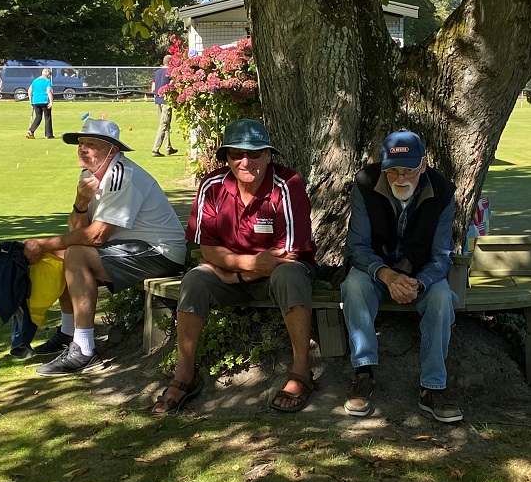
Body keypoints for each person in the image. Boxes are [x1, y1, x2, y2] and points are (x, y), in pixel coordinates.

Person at [151, 118, 317, 416]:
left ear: (268, 155)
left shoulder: (287, 184)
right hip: (232, 273)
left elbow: (288, 254)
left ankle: (301, 372)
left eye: (254, 154)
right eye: (236, 154)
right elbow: (207, 249)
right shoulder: (212, 185)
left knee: (289, 274)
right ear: (226, 157)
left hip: (277, 273)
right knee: (194, 280)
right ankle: (184, 375)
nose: (245, 161)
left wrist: (236, 273)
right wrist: (245, 266)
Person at [23, 118, 187, 375]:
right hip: (131, 248)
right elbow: (76, 233)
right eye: (81, 143)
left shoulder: (122, 175)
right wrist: (80, 203)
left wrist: (44, 244)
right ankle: (68, 333)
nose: (82, 149)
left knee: (75, 254)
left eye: (91, 144)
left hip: (161, 252)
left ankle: (84, 350)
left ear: (112, 150)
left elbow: (97, 236)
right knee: (65, 253)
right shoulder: (88, 176)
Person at [341, 129, 463, 423]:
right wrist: (385, 275)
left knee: (442, 297)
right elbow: (356, 246)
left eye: (409, 170)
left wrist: (418, 283)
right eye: (393, 170)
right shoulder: (364, 183)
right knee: (353, 285)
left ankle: (432, 387)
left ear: (423, 165)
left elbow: (442, 255)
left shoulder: (443, 190)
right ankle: (363, 373)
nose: (400, 178)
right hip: (376, 271)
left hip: (420, 274)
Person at [151, 55, 178, 157]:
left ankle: (168, 147)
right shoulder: (170, 73)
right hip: (166, 101)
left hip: (158, 100)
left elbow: (153, 89)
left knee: (166, 124)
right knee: (163, 125)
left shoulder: (157, 72)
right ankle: (155, 149)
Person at [26, 68, 54, 139]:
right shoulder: (47, 81)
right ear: (47, 74)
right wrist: (51, 102)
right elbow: (48, 91)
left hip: (35, 101)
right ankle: (48, 135)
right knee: (47, 117)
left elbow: (29, 90)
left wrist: (30, 100)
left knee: (38, 117)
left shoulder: (35, 81)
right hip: (44, 101)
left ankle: (31, 130)